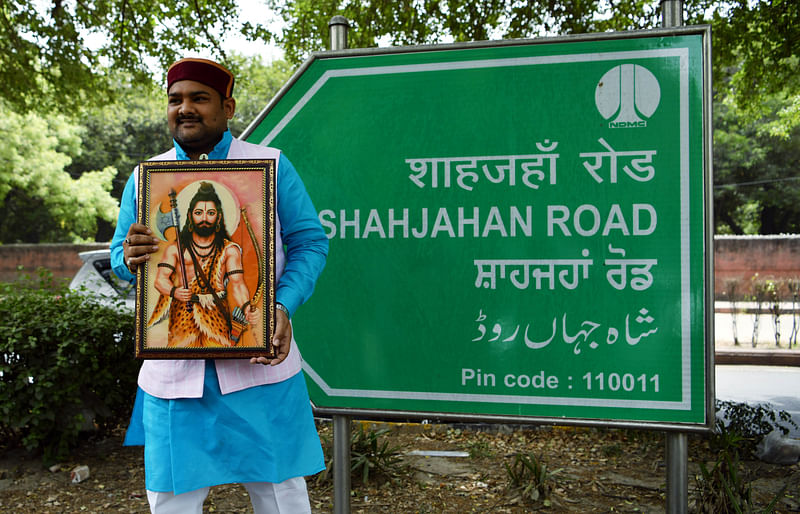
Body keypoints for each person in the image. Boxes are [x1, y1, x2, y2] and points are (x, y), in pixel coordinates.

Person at [110, 57, 329, 513]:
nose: (184, 108)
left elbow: (310, 243)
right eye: (175, 100)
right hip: (174, 381)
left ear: (228, 107)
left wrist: (280, 307)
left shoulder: (270, 165)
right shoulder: (145, 177)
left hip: (260, 368)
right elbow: (120, 257)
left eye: (199, 98)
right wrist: (130, 258)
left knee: (282, 499)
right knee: (171, 502)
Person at [148, 181, 258, 347]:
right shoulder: (176, 249)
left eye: (211, 213)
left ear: (219, 217)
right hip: (182, 315)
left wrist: (246, 307)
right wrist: (174, 291)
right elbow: (160, 280)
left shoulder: (229, 250)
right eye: (199, 213)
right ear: (191, 216)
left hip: (216, 316)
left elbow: (237, 284)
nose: (204, 218)